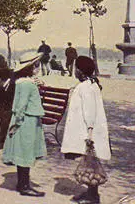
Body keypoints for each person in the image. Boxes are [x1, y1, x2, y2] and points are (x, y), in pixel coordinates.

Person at [61, 56, 110, 204]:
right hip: (87, 129)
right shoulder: (88, 85)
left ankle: (93, 196)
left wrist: (89, 133)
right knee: (89, 162)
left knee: (90, 163)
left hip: (88, 130)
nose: (74, 71)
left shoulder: (86, 87)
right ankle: (90, 192)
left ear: (81, 71)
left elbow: (89, 111)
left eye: (76, 68)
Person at [2, 52, 46, 197]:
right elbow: (22, 105)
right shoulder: (27, 84)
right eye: (37, 65)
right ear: (32, 67)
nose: (38, 68)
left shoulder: (22, 81)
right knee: (26, 151)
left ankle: (22, 183)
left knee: (23, 152)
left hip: (25, 119)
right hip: (27, 120)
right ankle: (24, 186)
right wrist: (18, 122)